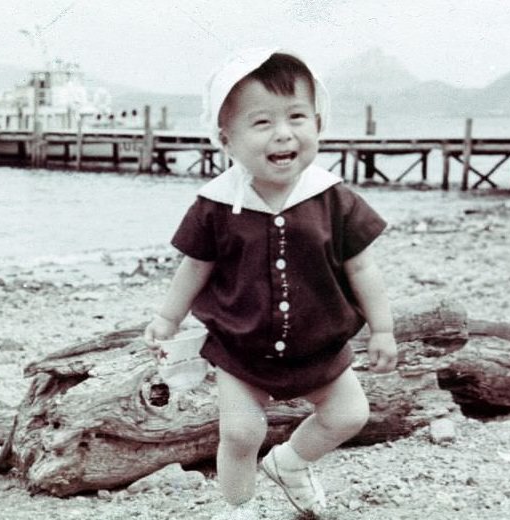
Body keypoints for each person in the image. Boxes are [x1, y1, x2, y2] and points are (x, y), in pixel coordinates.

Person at [143, 47, 397, 520]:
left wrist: (382, 329)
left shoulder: (332, 198)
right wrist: (166, 318)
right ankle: (238, 506)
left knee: (349, 415)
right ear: (227, 139)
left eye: (297, 116)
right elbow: (193, 267)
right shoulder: (215, 205)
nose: (284, 133)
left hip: (319, 343)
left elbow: (363, 268)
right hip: (242, 347)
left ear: (318, 124)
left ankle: (292, 462)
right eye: (261, 123)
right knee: (240, 433)